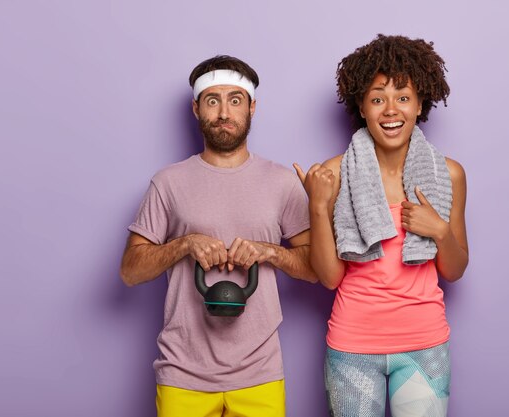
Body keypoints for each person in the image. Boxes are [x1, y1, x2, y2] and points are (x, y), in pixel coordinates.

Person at [120, 55, 316, 417]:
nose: (224, 112)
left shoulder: (282, 183)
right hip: (182, 371)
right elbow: (130, 271)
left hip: (260, 372)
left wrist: (269, 253)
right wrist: (183, 244)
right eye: (213, 100)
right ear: (196, 108)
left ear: (252, 107)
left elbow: (315, 268)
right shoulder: (168, 183)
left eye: (235, 100)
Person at [294, 34, 469, 417]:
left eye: (403, 97)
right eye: (377, 99)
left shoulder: (448, 174)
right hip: (352, 344)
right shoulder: (333, 175)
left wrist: (439, 230)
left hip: (425, 343)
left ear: (421, 102)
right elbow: (329, 278)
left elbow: (454, 270)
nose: (391, 110)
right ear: (362, 105)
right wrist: (318, 206)